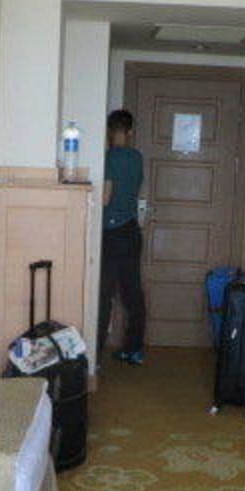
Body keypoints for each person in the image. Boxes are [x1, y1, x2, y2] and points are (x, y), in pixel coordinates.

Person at [98, 109, 147, 365]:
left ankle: (95, 356)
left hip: (111, 233)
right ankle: (134, 349)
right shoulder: (137, 157)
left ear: (108, 131)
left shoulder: (107, 158)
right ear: (130, 132)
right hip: (131, 231)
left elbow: (105, 197)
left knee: (104, 294)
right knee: (133, 293)